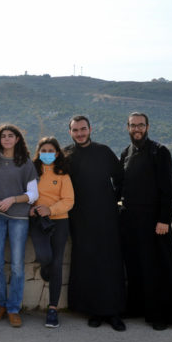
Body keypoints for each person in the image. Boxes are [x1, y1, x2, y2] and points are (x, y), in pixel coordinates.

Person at [119, 112, 172, 330]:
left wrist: (164, 219)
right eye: (133, 125)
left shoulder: (160, 151)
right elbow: (120, 186)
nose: (136, 129)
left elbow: (168, 189)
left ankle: (160, 315)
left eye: (140, 125)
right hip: (131, 221)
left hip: (154, 221)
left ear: (147, 127)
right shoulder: (126, 153)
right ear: (127, 128)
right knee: (135, 267)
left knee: (156, 268)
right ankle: (137, 308)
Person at [64, 115, 126, 331]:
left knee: (111, 263)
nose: (80, 133)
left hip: (107, 216)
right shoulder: (66, 155)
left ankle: (114, 312)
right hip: (79, 218)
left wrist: (112, 199)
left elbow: (120, 178)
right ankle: (94, 311)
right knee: (87, 263)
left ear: (90, 129)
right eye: (75, 130)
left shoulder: (104, 151)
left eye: (83, 129)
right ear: (70, 132)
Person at [0, 124, 38, 327]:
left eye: (11, 136)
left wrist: (13, 200)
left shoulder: (26, 163)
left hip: (19, 218)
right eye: (3, 136)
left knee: (17, 266)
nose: (7, 139)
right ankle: (0, 305)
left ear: (17, 139)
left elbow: (33, 194)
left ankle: (13, 309)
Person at [30, 137, 74, 328]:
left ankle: (53, 309)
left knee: (56, 263)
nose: (46, 154)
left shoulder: (63, 175)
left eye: (50, 151)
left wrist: (51, 210)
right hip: (37, 221)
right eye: (43, 150)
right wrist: (31, 209)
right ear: (38, 152)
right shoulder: (32, 172)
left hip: (59, 221)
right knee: (44, 256)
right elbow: (26, 193)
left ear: (56, 153)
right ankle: (45, 268)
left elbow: (69, 200)